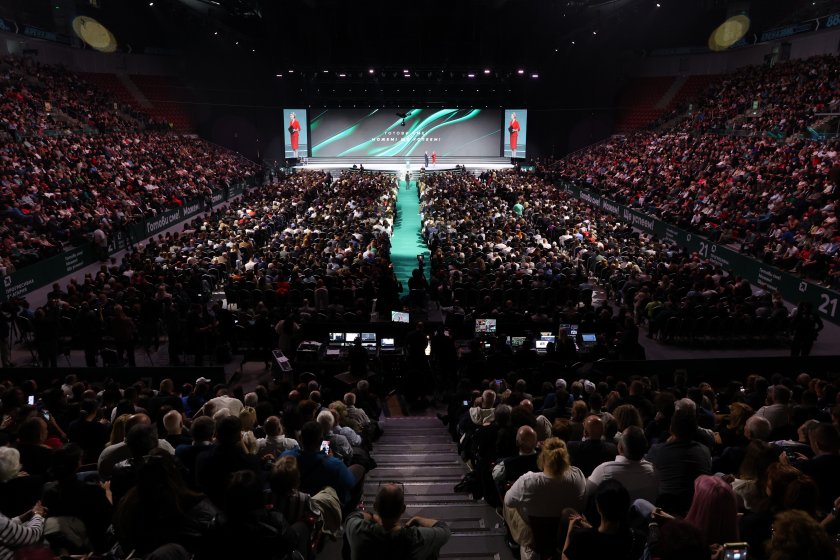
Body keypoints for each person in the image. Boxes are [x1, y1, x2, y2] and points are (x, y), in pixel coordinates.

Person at [503, 437, 587, 560]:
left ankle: (520, 543)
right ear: (565, 458)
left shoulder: (528, 481)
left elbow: (508, 501)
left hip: (538, 541)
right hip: (565, 538)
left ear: (542, 458)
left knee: (510, 501)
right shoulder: (578, 475)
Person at [344, 482, 451, 560]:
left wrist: (372, 516)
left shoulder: (358, 531)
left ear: (375, 506)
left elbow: (353, 516)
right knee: (431, 549)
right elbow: (444, 529)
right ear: (403, 509)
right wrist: (417, 519)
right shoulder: (416, 538)